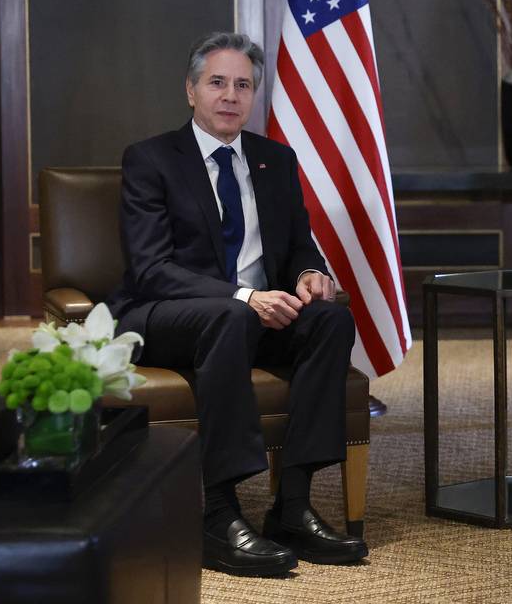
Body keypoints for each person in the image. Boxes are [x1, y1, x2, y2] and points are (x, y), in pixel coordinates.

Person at [107, 32, 368, 576]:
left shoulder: (275, 159)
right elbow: (152, 270)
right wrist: (245, 296)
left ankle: (292, 505)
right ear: (191, 90)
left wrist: (309, 275)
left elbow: (300, 244)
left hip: (253, 314)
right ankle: (218, 514)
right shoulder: (151, 159)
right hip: (169, 314)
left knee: (330, 319)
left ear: (253, 96)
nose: (231, 95)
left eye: (243, 85)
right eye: (217, 82)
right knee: (229, 315)